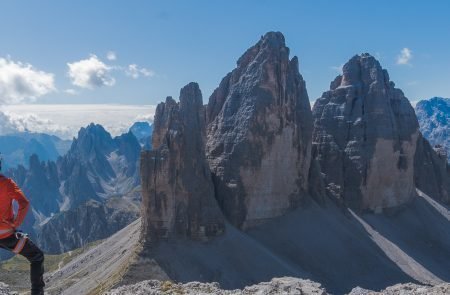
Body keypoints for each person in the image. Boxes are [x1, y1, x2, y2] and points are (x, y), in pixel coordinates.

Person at [0, 155, 45, 295]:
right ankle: (37, 292)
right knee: (37, 256)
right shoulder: (7, 183)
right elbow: (24, 203)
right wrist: (16, 223)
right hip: (6, 235)